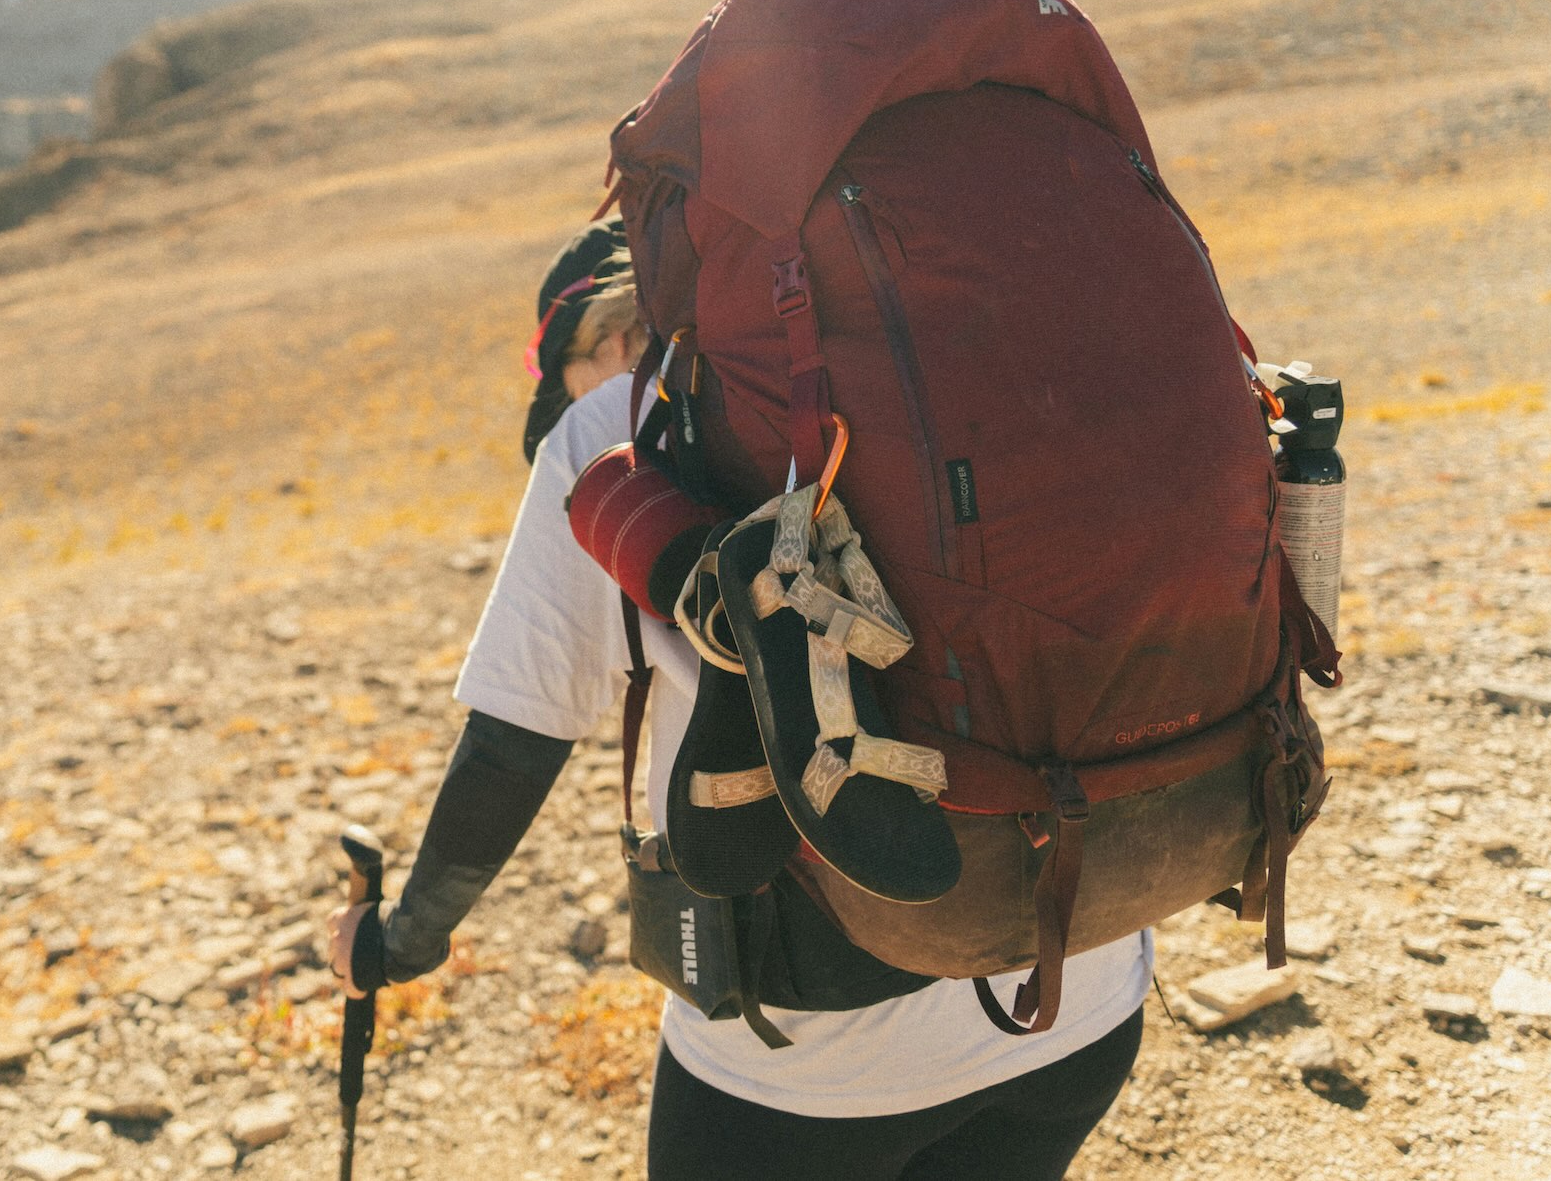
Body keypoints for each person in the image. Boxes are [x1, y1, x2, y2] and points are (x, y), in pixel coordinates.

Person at [331, 222, 1151, 1180]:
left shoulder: (612, 438)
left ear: (614, 337)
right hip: (1078, 989)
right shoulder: (977, 354)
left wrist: (397, 943)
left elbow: (514, 745)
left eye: (560, 374)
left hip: (812, 1061)